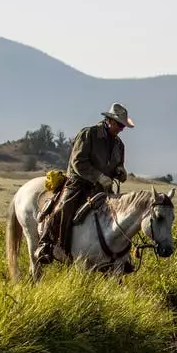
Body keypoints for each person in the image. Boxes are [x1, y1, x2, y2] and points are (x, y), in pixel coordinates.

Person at [35, 103, 134, 264]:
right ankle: (46, 245)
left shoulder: (119, 145)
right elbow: (78, 162)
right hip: (78, 183)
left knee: (122, 216)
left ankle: (120, 256)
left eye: (123, 126)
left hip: (103, 188)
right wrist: (99, 176)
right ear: (109, 120)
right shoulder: (88, 134)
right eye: (119, 124)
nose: (121, 128)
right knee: (63, 208)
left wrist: (120, 171)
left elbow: (118, 164)